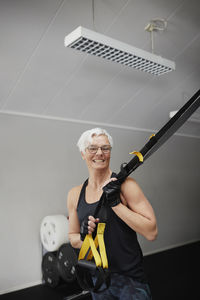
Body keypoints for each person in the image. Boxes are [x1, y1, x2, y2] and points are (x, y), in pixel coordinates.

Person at [67, 128, 158, 300]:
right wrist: (85, 236)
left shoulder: (127, 186)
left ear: (110, 152)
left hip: (130, 280)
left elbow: (151, 232)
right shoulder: (74, 194)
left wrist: (116, 204)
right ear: (83, 153)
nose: (99, 153)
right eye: (92, 148)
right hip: (98, 277)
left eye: (105, 148)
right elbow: (72, 237)